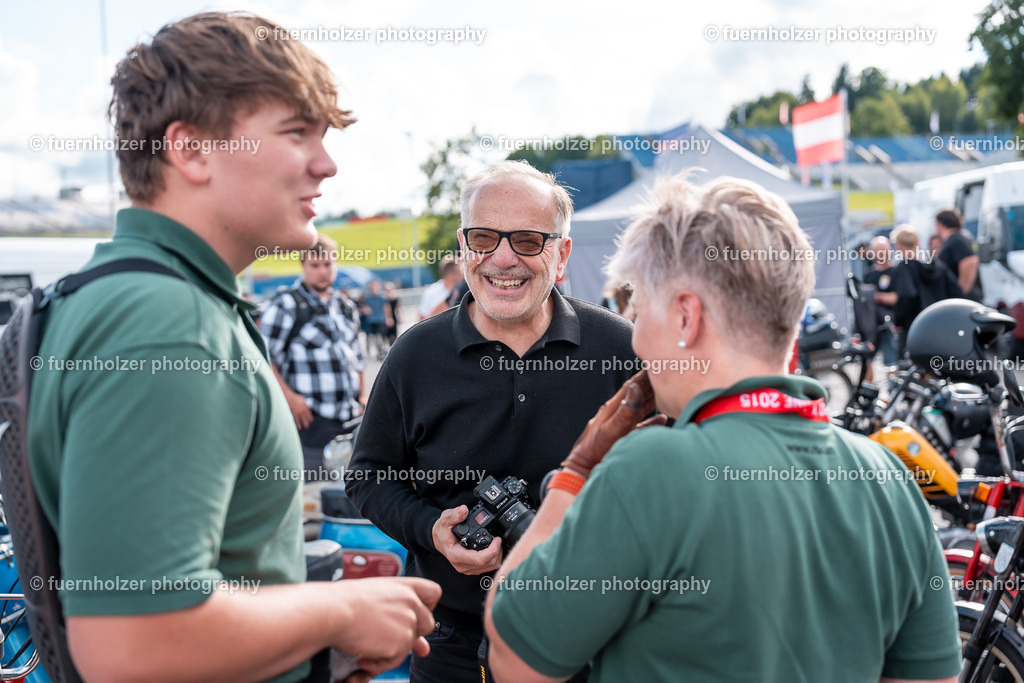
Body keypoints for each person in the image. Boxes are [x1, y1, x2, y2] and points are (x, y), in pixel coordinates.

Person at [27, 12, 439, 682]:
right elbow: (133, 643)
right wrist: (338, 611)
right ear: (190, 151)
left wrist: (307, 648)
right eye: (296, 132)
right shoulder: (168, 321)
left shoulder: (133, 296)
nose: (325, 162)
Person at [483, 174, 961, 683]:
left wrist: (574, 474)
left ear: (687, 316)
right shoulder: (886, 478)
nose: (638, 342)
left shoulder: (650, 469)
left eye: (641, 310)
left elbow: (514, 660)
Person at [345, 160, 639, 683]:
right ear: (463, 248)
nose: (502, 259)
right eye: (484, 238)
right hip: (451, 646)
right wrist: (429, 532)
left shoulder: (619, 349)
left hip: (589, 644)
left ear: (562, 254)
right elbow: (367, 475)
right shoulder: (415, 355)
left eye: (527, 240)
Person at [259, 232, 366, 480]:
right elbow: (261, 356)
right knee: (313, 496)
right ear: (303, 266)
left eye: (328, 264)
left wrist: (361, 395)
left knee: (348, 495)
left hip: (349, 420)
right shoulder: (286, 304)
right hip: (310, 420)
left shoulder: (346, 307)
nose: (322, 271)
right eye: (315, 265)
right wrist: (290, 398)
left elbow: (357, 357)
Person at [890, 224, 962, 356]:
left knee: (911, 370)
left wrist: (897, 320)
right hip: (940, 327)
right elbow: (956, 292)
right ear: (917, 242)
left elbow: (907, 295)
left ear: (898, 245)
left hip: (915, 329)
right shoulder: (937, 265)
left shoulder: (905, 267)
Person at [862, 236, 898, 367]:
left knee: (892, 363)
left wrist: (876, 296)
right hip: (872, 326)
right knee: (866, 362)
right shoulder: (869, 275)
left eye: (883, 249)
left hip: (891, 325)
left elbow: (896, 298)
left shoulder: (897, 271)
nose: (881, 253)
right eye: (877, 250)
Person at [935, 207, 983, 302]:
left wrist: (961, 292)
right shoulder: (958, 237)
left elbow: (970, 261)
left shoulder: (957, 239)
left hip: (965, 300)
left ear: (939, 224)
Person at [359, 278, 393, 359]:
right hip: (370, 320)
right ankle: (368, 353)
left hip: (380, 319)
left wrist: (389, 318)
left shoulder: (382, 297)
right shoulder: (367, 297)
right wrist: (365, 309)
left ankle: (380, 352)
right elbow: (361, 306)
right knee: (369, 338)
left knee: (379, 337)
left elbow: (386, 308)